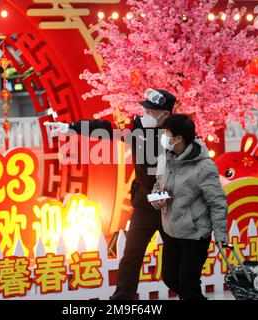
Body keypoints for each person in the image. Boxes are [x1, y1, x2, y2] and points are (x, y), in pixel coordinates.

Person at [47, 89, 176, 300]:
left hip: (171, 206)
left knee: (178, 258)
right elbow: (106, 129)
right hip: (145, 204)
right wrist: (71, 128)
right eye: (145, 109)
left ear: (166, 114)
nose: (145, 114)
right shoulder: (137, 128)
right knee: (131, 256)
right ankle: (121, 300)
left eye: (152, 111)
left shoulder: (179, 134)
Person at [150, 114, 229, 300]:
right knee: (170, 278)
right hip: (171, 231)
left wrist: (220, 234)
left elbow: (217, 202)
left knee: (188, 283)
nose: (163, 137)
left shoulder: (204, 166)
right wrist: (157, 199)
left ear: (178, 138)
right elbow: (156, 186)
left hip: (195, 234)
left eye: (166, 134)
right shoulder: (165, 158)